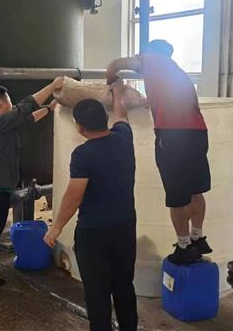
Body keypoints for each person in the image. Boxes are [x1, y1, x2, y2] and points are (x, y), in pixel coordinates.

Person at [106, 39, 211, 264]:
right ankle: (197, 238)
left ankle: (183, 246)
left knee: (177, 196)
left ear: (148, 52)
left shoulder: (151, 61)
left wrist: (111, 83)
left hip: (173, 135)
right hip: (198, 133)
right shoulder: (175, 71)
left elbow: (115, 64)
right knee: (196, 190)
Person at [0, 77, 64, 306]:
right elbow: (25, 107)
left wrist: (49, 108)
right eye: (9, 101)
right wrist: (52, 86)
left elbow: (28, 118)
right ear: (1, 103)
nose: (12, 104)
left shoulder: (1, 125)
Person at [44, 83, 138, 331]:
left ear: (80, 127)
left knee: (97, 292)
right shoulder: (123, 138)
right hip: (125, 226)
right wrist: (118, 91)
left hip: (94, 232)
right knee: (124, 286)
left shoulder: (83, 154)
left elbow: (74, 195)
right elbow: (122, 115)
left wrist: (56, 227)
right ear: (104, 119)